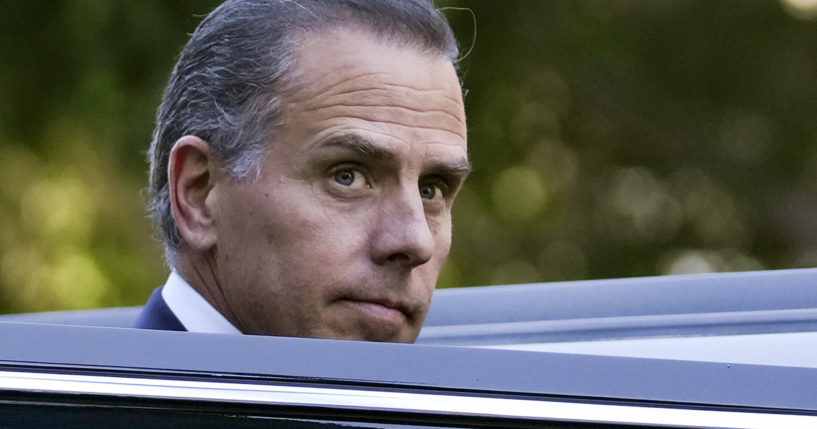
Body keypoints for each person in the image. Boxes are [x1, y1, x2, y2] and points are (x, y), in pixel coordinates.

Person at [134, 0, 470, 343]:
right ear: (199, 194)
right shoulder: (97, 397)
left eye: (431, 190)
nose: (416, 242)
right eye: (347, 176)